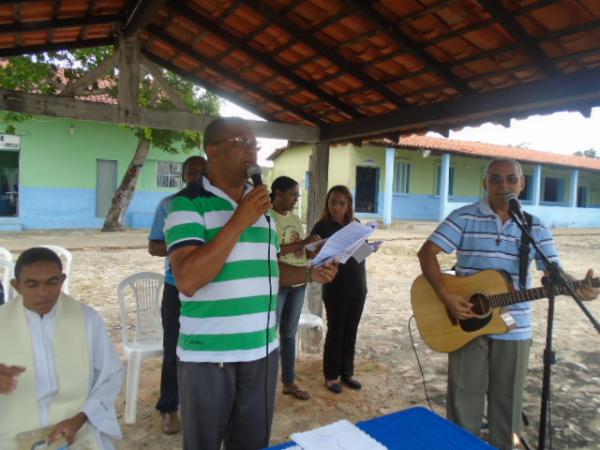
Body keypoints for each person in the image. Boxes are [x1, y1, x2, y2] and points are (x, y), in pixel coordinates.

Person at [165, 117, 338, 450]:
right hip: (208, 356)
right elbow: (187, 280)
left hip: (262, 351)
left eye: (255, 144)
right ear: (212, 150)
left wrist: (309, 274)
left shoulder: (261, 207)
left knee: (251, 443)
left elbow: (267, 268)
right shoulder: (187, 205)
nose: (252, 151)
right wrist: (239, 220)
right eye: (241, 142)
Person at [417, 158, 598, 449]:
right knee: (464, 402)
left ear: (522, 184)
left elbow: (553, 272)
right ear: (485, 183)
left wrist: (577, 287)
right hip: (464, 323)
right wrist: (445, 294)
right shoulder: (464, 217)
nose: (504, 186)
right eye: (496, 179)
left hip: (515, 328)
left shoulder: (535, 228)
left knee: (508, 405)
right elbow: (427, 253)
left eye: (511, 179)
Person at [0, 247, 123, 450]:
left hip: (74, 428)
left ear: (62, 279)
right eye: (32, 285)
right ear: (17, 286)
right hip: (10, 433)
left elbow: (110, 376)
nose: (43, 292)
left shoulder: (86, 319)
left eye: (52, 282)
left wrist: (80, 418)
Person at [148, 155, 206, 435]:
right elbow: (153, 246)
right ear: (183, 176)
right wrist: (182, 246)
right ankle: (169, 407)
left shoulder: (217, 205)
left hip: (211, 287)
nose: (196, 176)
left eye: (201, 172)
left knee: (206, 347)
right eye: (191, 172)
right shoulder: (168, 205)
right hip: (176, 286)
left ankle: (201, 401)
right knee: (173, 349)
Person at [310, 185, 367, 394]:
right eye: (333, 202)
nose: (336, 207)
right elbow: (312, 257)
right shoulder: (322, 226)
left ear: (348, 205)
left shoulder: (356, 225)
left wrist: (370, 247)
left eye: (342, 203)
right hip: (335, 288)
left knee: (351, 330)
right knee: (336, 331)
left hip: (358, 286)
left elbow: (361, 255)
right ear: (328, 203)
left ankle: (347, 373)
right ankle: (332, 376)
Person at [270, 176, 321, 401]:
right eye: (292, 194)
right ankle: (266, 381)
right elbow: (274, 251)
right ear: (277, 193)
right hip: (279, 283)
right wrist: (303, 242)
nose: (296, 199)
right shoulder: (267, 218)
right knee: (270, 334)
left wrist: (313, 249)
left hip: (299, 283)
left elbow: (300, 251)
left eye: (298, 195)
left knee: (289, 335)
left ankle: (289, 382)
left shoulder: (294, 218)